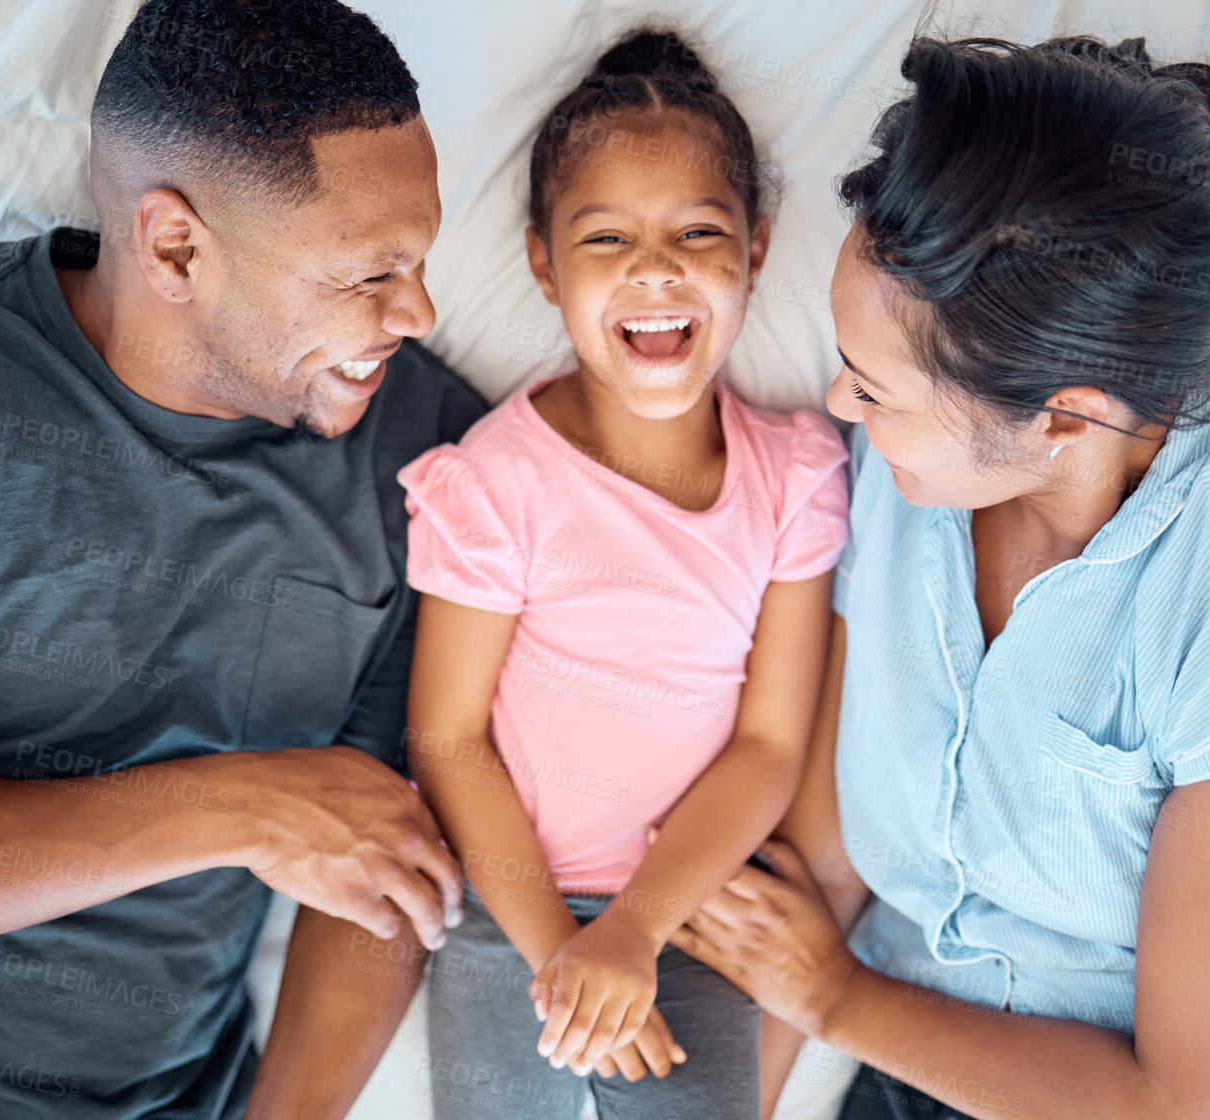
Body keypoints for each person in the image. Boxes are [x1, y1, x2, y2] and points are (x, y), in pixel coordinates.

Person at [0, 2, 480, 1117]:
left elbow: (380, 870)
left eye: (421, 257)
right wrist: (245, 807)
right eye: (369, 274)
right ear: (175, 247)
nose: (419, 310)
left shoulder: (430, 463)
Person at [666, 34, 1210, 1120]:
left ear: (1068, 417)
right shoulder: (905, 476)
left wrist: (836, 1000)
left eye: (874, 389)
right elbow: (828, 876)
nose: (838, 407)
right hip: (917, 1042)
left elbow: (1194, 1107)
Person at [395, 29, 849, 1120]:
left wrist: (638, 929)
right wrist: (568, 955)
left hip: (696, 909)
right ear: (544, 264)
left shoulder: (791, 478)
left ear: (757, 250)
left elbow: (770, 744)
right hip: (511, 914)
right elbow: (447, 740)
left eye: (700, 231)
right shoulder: (496, 482)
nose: (657, 268)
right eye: (608, 239)